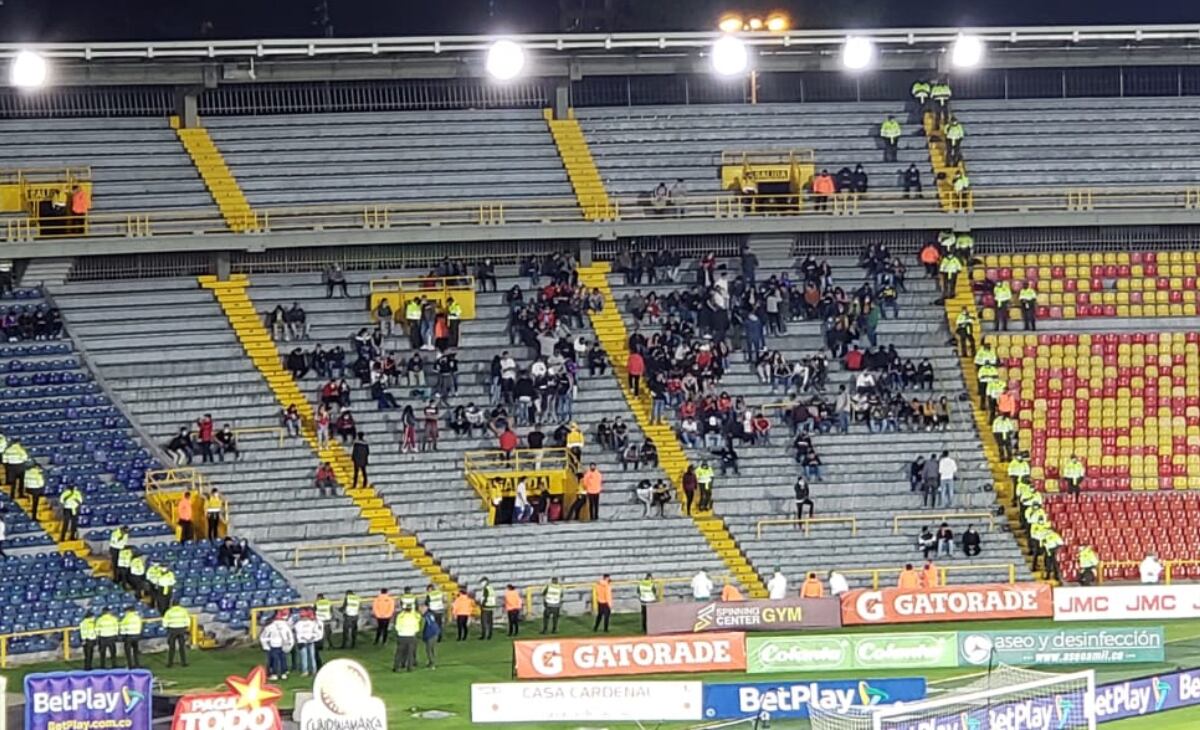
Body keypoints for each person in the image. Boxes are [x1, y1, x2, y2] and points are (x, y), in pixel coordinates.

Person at [392, 606, 421, 672]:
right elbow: (418, 619)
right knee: (410, 653)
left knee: (399, 653)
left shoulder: (400, 616)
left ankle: (396, 667)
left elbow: (397, 627)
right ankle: (410, 667)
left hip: (402, 636)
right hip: (411, 636)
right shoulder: (414, 616)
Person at [294, 609, 321, 677]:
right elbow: (298, 633)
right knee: (306, 657)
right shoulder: (299, 624)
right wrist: (311, 637)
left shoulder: (309, 623)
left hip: (307, 641)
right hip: (304, 642)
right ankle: (308, 671)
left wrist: (312, 637)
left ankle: (311, 670)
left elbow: (316, 632)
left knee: (309, 657)